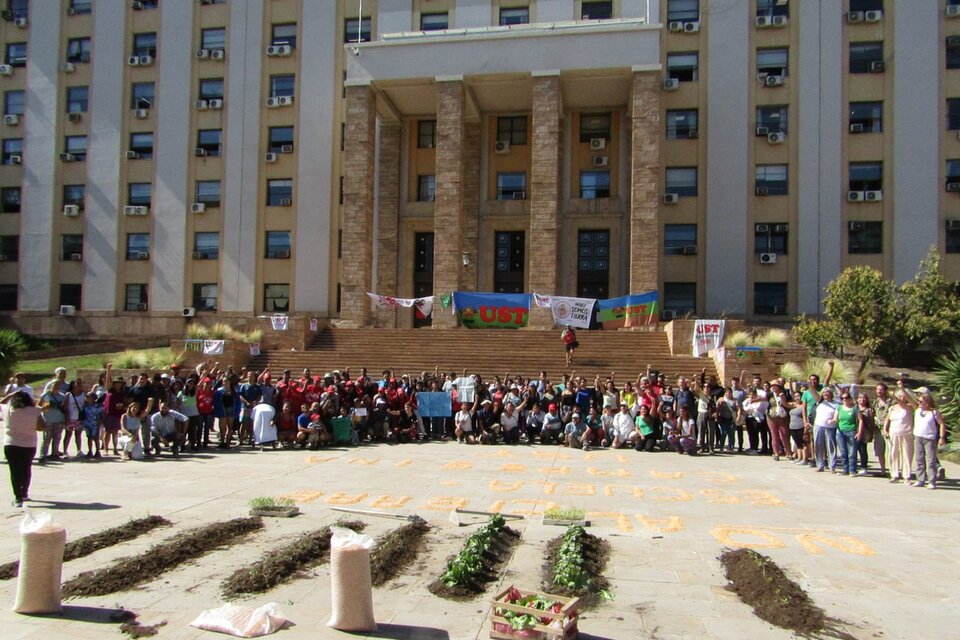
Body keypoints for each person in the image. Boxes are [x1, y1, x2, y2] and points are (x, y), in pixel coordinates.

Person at [2, 391, 43, 507]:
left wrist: (12, 394)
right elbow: (41, 427)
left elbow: (1, 402)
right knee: (26, 469)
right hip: (29, 444)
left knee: (15, 472)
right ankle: (24, 492)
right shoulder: (35, 411)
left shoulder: (8, 409)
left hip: (11, 443)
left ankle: (17, 497)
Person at [912, 393, 946, 490]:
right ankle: (920, 479)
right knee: (919, 459)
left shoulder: (934, 413)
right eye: (918, 401)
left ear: (927, 402)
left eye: (921, 401)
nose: (919, 403)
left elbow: (942, 424)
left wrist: (941, 437)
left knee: (931, 461)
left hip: (930, 438)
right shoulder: (917, 410)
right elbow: (909, 399)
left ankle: (931, 481)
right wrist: (902, 389)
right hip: (918, 437)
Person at [884, 385, 915, 484]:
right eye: (899, 396)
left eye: (903, 396)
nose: (901, 398)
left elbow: (904, 404)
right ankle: (894, 474)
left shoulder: (909, 407)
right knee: (893, 454)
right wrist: (885, 429)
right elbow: (887, 419)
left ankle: (906, 476)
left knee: (906, 454)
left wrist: (897, 395)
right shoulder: (893, 408)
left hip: (906, 433)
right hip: (894, 433)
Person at [811, 387, 840, 473]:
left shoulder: (836, 404)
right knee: (818, 445)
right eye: (824, 393)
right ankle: (820, 465)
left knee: (831, 446)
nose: (825, 394)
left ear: (831, 394)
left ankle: (832, 466)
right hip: (818, 425)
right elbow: (813, 391)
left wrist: (834, 420)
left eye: (827, 392)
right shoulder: (820, 402)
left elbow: (836, 415)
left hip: (830, 427)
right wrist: (809, 383)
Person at [37, 382, 67, 463]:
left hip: (59, 419)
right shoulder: (46, 395)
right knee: (46, 438)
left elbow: (65, 408)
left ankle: (55, 454)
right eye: (54, 386)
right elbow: (39, 406)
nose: (56, 388)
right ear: (51, 387)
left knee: (57, 438)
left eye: (57, 386)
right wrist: (46, 407)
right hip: (48, 419)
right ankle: (43, 455)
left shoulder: (62, 396)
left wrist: (65, 419)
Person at [835, 390, 862, 476]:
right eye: (843, 398)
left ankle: (852, 470)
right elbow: (836, 418)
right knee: (843, 452)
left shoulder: (854, 408)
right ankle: (845, 469)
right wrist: (832, 420)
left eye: (846, 398)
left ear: (850, 399)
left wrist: (859, 432)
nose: (845, 400)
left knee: (852, 452)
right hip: (840, 432)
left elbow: (861, 420)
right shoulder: (839, 407)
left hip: (851, 431)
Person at [81, 391, 103, 458]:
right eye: (86, 397)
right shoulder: (85, 406)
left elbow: (102, 414)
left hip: (95, 424)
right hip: (87, 424)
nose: (87, 398)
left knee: (96, 438)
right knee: (89, 438)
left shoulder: (97, 406)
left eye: (88, 397)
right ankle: (90, 451)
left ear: (93, 398)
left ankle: (97, 451)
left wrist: (101, 421)